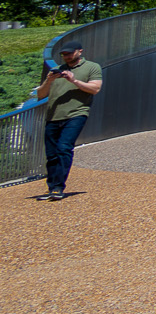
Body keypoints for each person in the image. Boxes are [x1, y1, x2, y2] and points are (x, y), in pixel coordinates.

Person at [34, 42, 102, 201]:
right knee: (51, 154)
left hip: (77, 113)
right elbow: (40, 95)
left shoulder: (92, 67)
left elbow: (95, 89)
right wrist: (49, 81)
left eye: (70, 53)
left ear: (80, 51)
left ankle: (58, 188)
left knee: (64, 147)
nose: (67, 56)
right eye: (64, 54)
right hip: (53, 116)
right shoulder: (56, 70)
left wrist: (74, 81)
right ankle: (52, 188)